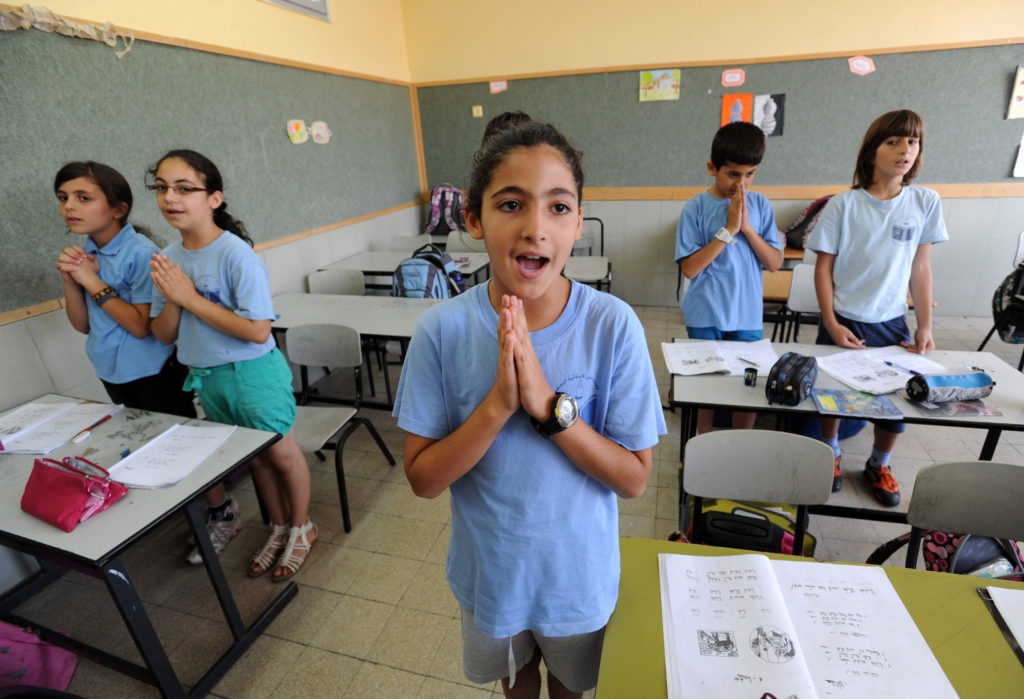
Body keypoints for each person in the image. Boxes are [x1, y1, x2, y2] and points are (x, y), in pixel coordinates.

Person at [393, 121, 665, 699]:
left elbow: (635, 477)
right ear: (473, 219)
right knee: (515, 687)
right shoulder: (441, 331)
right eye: (511, 204)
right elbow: (422, 479)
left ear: (578, 221)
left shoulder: (611, 326)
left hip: (577, 580)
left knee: (571, 690)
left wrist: (548, 407)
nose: (536, 228)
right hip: (492, 576)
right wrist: (497, 406)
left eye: (559, 207)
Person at [148, 149, 316, 580]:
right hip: (208, 379)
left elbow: (259, 331)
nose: (171, 197)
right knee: (254, 460)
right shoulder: (168, 257)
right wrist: (174, 300)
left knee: (281, 455)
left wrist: (190, 299)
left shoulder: (235, 254)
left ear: (214, 198)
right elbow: (164, 334)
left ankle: (302, 527)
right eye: (162, 187)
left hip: (253, 375)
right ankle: (277, 527)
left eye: (185, 188)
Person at [807, 109, 947, 505]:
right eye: (894, 141)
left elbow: (921, 269)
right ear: (872, 152)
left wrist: (926, 324)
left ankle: (879, 463)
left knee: (892, 401)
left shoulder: (924, 201)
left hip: (891, 320)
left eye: (913, 142)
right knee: (832, 394)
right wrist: (831, 323)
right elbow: (823, 269)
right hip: (845, 318)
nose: (906, 150)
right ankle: (831, 452)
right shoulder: (844, 204)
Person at [54, 161, 194, 418]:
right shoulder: (86, 254)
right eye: (63, 198)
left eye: (84, 198)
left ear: (118, 210)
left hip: (153, 370)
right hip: (110, 370)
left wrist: (92, 281)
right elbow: (83, 326)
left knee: (176, 443)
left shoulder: (141, 253)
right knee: (140, 441)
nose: (69, 206)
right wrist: (71, 281)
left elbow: (141, 326)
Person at [675, 121, 783, 433]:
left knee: (745, 388)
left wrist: (747, 227)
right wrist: (728, 230)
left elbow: (774, 262)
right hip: (705, 313)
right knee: (706, 390)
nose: (741, 183)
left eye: (749, 174)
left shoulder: (760, 205)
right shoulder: (695, 207)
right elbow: (690, 268)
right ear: (713, 168)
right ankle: (703, 442)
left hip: (746, 315)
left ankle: (741, 443)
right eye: (733, 174)